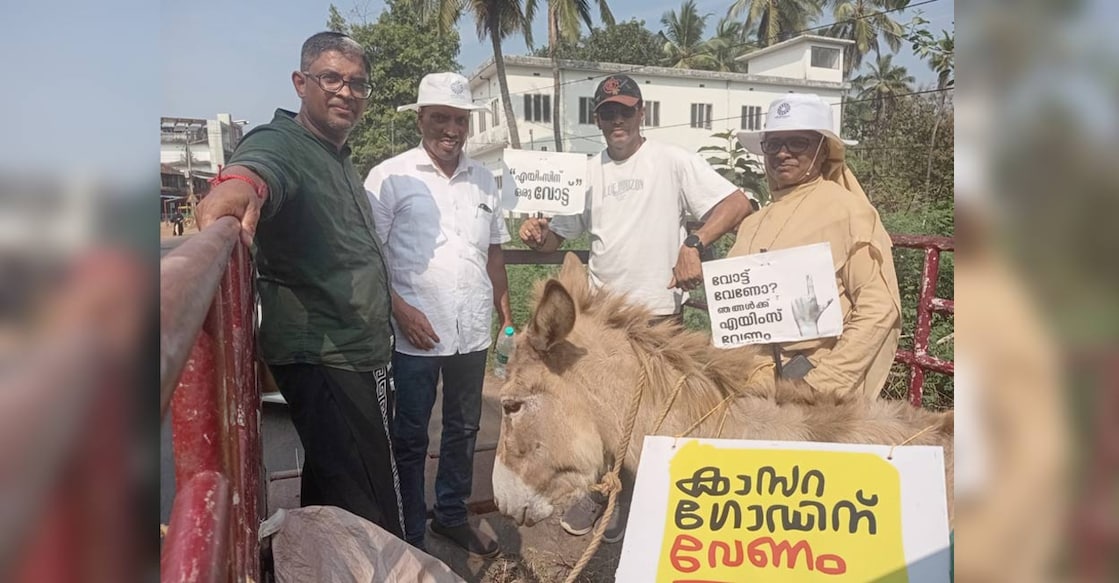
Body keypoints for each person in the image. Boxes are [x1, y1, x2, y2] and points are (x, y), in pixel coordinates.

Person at [518, 73, 755, 541]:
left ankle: (652, 502)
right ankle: (607, 497)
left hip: (657, 317)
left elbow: (737, 202)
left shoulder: (671, 161)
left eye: (625, 110)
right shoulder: (588, 170)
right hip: (603, 322)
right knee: (603, 412)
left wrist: (695, 241)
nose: (617, 120)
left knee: (658, 418)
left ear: (641, 113)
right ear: (599, 119)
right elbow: (555, 239)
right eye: (608, 113)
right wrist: (535, 234)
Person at [195, 31, 405, 538]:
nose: (345, 92)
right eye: (330, 78)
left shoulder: (334, 153)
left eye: (357, 83)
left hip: (355, 351)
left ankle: (314, 564)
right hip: (329, 354)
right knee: (371, 504)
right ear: (300, 82)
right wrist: (237, 187)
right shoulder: (282, 141)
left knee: (332, 483)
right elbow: (256, 169)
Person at [364, 72, 512, 557]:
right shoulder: (390, 177)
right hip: (415, 334)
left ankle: (450, 515)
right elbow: (371, 255)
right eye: (440, 118)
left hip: (471, 330)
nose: (450, 128)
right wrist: (399, 309)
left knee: (464, 428)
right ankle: (410, 530)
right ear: (422, 118)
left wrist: (504, 311)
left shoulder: (485, 179)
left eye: (459, 119)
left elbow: (493, 252)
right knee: (409, 434)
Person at [730, 93, 902, 403]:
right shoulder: (752, 225)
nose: (783, 154)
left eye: (798, 143)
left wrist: (820, 384)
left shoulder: (847, 211)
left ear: (823, 152)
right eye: (774, 144)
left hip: (811, 384)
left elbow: (878, 309)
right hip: (749, 384)